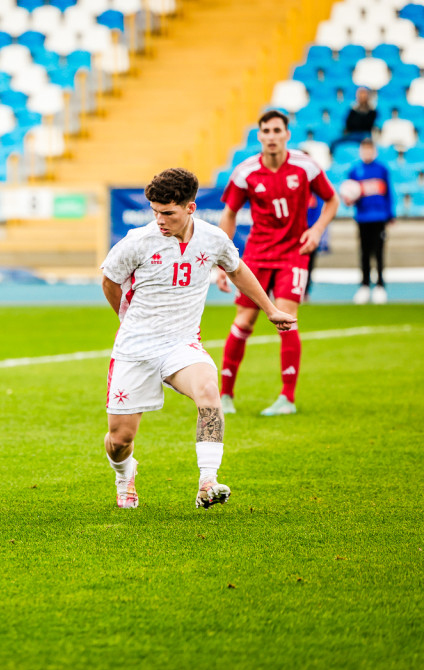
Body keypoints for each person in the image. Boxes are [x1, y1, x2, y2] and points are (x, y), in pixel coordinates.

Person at [101, 168, 297, 509]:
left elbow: (236, 269)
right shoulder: (137, 241)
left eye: (168, 213)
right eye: (154, 211)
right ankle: (124, 473)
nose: (159, 220)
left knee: (209, 392)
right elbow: (110, 280)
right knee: (120, 439)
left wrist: (269, 309)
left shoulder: (213, 238)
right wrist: (126, 317)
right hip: (135, 348)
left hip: (181, 344)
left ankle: (208, 480)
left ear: (190, 208)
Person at [216, 110, 338, 416]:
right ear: (259, 136)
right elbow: (229, 215)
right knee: (243, 322)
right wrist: (221, 261)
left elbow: (332, 199)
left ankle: (287, 398)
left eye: (276, 130)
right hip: (256, 254)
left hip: (293, 253)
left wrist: (317, 229)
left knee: (286, 319)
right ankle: (225, 396)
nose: (271, 136)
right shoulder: (245, 172)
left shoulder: (306, 167)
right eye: (265, 131)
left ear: (287, 134)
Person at [346, 137, 394, 304]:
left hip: (379, 217)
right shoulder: (355, 170)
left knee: (379, 252)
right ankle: (365, 285)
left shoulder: (382, 169)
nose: (367, 153)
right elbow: (349, 193)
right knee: (364, 252)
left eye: (370, 150)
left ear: (374, 151)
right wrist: (348, 199)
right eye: (364, 150)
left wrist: (390, 214)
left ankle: (380, 285)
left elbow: (389, 193)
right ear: (361, 151)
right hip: (363, 218)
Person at [329, 87, 377, 154]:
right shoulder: (353, 110)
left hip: (364, 135)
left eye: (364, 95)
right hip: (351, 134)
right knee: (334, 143)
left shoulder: (372, 111)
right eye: (360, 95)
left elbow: (368, 125)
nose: (362, 97)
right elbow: (348, 123)